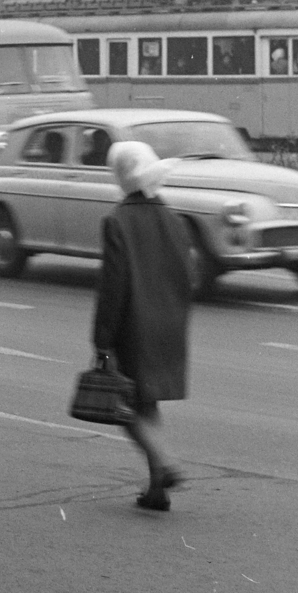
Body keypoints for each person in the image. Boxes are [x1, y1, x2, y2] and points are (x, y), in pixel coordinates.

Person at [93, 140, 194, 512]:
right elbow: (189, 274)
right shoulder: (175, 220)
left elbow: (113, 285)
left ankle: (165, 461)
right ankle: (156, 490)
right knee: (146, 401)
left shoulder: (117, 221)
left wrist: (102, 340)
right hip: (170, 320)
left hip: (133, 323)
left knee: (123, 403)